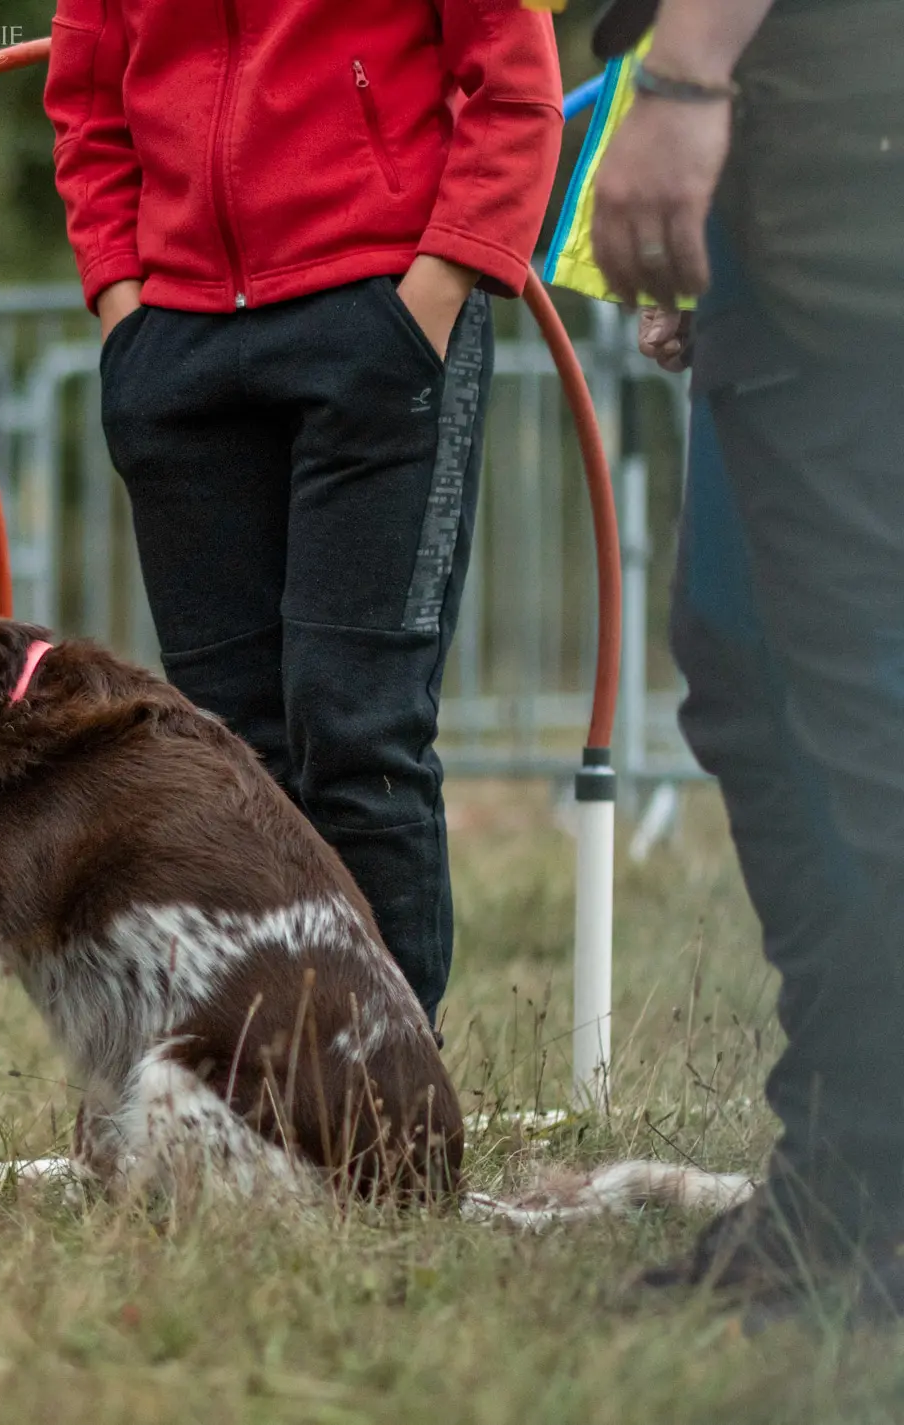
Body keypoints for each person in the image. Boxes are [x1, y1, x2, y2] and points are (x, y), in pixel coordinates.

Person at [44, 0, 565, 1026]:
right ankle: (254, 1078)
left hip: (379, 316)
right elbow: (85, 114)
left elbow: (512, 86)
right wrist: (120, 306)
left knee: (354, 724)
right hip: (175, 350)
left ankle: (380, 1104)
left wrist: (433, 286)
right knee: (226, 751)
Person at [590, 0, 904, 1322]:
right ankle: (849, 1174)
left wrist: (688, 81)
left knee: (858, 689)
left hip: (842, 166)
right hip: (778, 193)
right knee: (747, 664)